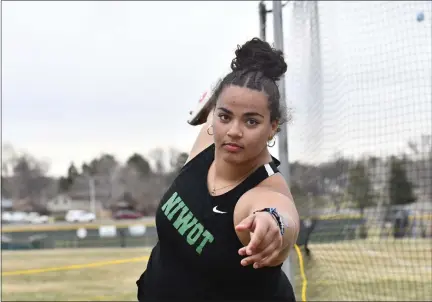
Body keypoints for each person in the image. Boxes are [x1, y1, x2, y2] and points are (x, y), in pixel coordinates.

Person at [136, 37, 300, 302]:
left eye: (251, 121)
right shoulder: (207, 142)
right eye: (225, 117)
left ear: (273, 127)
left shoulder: (263, 190)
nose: (234, 132)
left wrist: (273, 224)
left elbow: (282, 216)